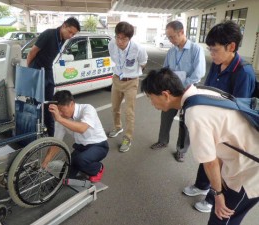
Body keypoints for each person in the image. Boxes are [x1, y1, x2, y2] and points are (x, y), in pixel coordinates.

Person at [141, 67, 259, 225]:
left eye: (150, 97)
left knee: (223, 218)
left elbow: (209, 162)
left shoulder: (195, 114)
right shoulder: (199, 92)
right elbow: (222, 138)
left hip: (251, 172)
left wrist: (217, 194)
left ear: (165, 95)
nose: (151, 102)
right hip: (242, 161)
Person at [182, 21, 256, 213]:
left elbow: (241, 112)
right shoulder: (217, 63)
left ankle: (211, 198)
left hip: (229, 133)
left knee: (219, 165)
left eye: (214, 50)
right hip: (212, 123)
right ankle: (201, 185)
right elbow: (206, 91)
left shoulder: (244, 73)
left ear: (231, 47)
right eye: (210, 50)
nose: (211, 54)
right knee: (206, 157)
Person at [150, 20, 206, 162]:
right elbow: (165, 69)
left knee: (185, 122)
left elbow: (198, 73)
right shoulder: (172, 51)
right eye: (168, 37)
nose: (170, 40)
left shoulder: (195, 49)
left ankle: (181, 150)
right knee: (166, 117)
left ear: (181, 32)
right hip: (171, 93)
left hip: (187, 92)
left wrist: (181, 88)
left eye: (172, 37)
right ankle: (162, 140)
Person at [27, 17, 80, 137]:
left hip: (48, 71)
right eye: (70, 32)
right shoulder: (49, 34)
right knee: (36, 104)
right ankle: (33, 134)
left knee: (50, 103)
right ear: (64, 25)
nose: (71, 36)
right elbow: (32, 52)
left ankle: (50, 134)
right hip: (37, 71)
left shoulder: (62, 38)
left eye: (73, 34)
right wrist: (30, 72)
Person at [41, 90, 109, 183]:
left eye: (61, 110)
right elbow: (56, 143)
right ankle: (84, 165)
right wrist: (45, 162)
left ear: (71, 104)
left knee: (80, 161)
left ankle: (98, 168)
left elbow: (82, 128)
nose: (60, 114)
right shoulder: (61, 119)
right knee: (64, 175)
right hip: (80, 148)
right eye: (58, 111)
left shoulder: (87, 108)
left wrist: (60, 119)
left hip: (98, 146)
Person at [108, 21, 148, 153]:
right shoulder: (111, 44)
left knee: (129, 111)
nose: (120, 41)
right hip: (116, 79)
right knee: (115, 107)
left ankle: (128, 137)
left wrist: (132, 73)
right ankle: (118, 127)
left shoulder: (138, 49)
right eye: (118, 37)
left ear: (129, 38)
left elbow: (143, 63)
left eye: (123, 38)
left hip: (131, 81)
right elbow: (114, 60)